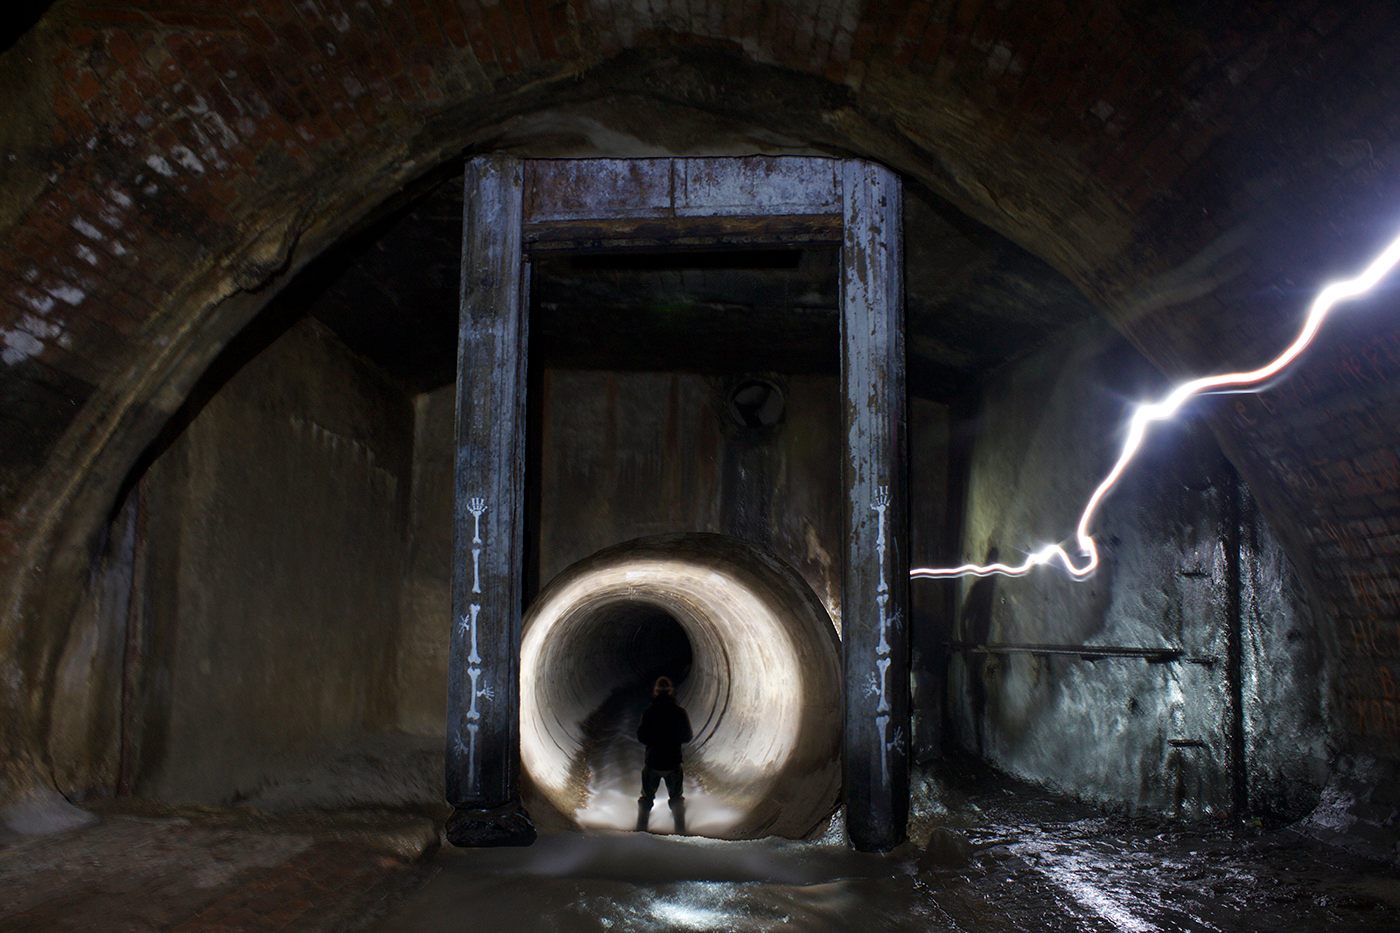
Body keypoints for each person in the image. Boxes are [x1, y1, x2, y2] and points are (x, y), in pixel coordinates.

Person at [635, 675, 693, 834]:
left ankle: (640, 833)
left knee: (646, 799)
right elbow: (688, 736)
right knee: (676, 799)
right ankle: (680, 832)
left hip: (653, 762)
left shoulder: (649, 713)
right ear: (671, 692)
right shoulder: (680, 713)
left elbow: (641, 737)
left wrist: (655, 739)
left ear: (655, 692)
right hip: (673, 762)